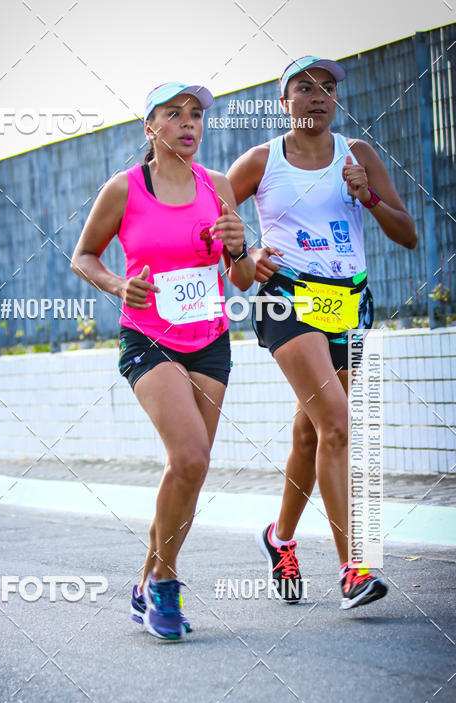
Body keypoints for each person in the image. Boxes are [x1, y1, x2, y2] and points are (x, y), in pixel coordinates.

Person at [227, 56, 417, 609]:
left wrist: (371, 197)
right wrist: (247, 253)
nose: (317, 96)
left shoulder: (358, 157)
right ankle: (353, 568)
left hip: (349, 304)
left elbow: (406, 234)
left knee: (312, 434)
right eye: (303, 88)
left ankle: (279, 538)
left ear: (336, 99)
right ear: (283, 102)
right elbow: (212, 222)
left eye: (327, 88)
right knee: (337, 424)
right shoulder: (261, 161)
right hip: (289, 299)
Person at [71, 82, 254, 639]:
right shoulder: (124, 189)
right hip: (148, 338)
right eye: (173, 114)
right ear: (149, 128)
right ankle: (166, 585)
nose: (188, 123)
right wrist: (116, 284)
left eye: (195, 114)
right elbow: (84, 256)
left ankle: (145, 579)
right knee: (192, 455)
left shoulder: (217, 186)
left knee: (190, 473)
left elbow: (241, 277)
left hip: (210, 338)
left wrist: (239, 244)